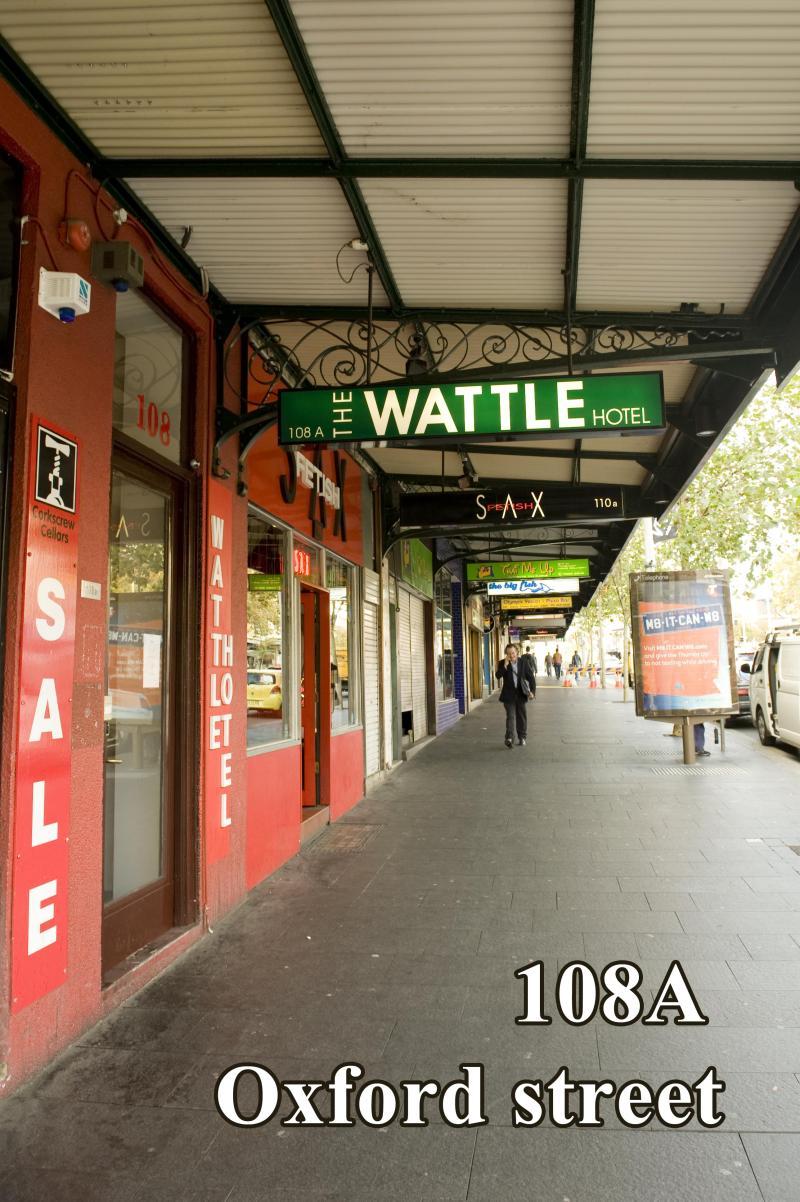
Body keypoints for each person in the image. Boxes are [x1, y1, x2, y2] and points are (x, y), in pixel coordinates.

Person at [496, 643, 536, 748]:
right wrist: (505, 665)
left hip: (521, 694)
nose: (511, 655)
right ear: (506, 654)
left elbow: (531, 678)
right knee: (511, 716)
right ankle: (509, 738)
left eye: (513, 653)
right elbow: (497, 676)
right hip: (508, 695)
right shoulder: (502, 663)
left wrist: (532, 692)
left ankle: (522, 737)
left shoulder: (523, 663)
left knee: (521, 716)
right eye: (509, 653)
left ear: (517, 652)